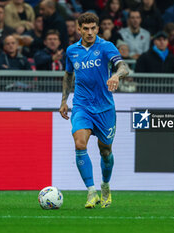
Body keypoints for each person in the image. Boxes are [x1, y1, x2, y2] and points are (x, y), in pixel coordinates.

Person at [59, 12, 129, 208]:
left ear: (97, 29)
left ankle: (105, 185)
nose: (89, 32)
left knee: (105, 151)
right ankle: (91, 192)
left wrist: (116, 76)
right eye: (85, 29)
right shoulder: (72, 51)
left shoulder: (106, 47)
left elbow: (124, 67)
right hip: (81, 106)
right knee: (80, 144)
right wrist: (64, 100)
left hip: (105, 108)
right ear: (78, 29)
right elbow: (68, 74)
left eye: (93, 28)